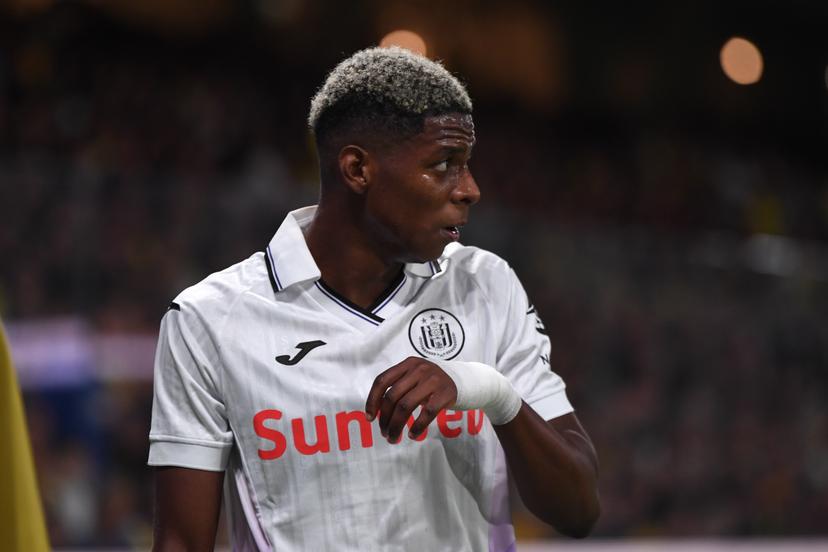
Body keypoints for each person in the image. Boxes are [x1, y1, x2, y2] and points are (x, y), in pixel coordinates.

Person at [148, 46, 599, 551]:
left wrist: (489, 390)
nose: (469, 189)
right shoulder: (209, 320)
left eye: (467, 164)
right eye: (444, 164)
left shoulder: (485, 285)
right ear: (358, 169)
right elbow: (182, 543)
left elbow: (578, 507)